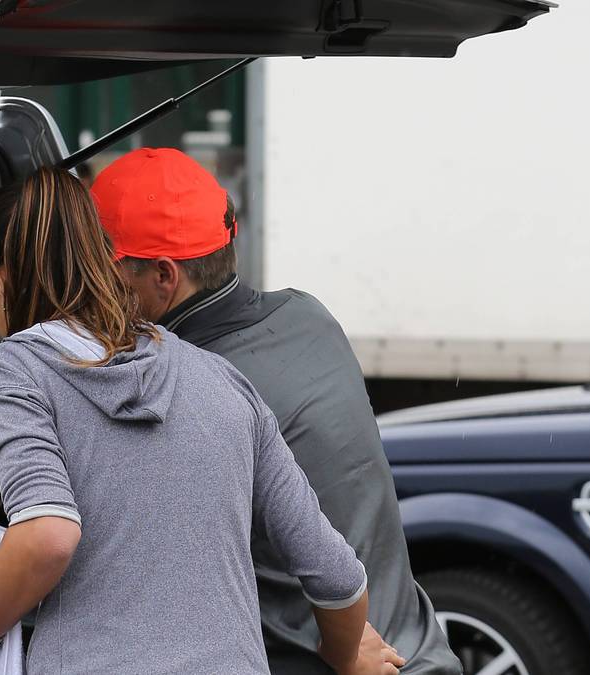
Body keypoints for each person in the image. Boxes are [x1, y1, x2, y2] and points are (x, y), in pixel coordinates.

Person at [0, 167, 404, 674]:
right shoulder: (222, 379)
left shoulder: (8, 372)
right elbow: (338, 574)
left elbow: (47, 535)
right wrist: (345, 656)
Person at [92, 148, 461, 674]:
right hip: (418, 650)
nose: (92, 289)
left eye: (104, 272)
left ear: (164, 277)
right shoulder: (307, 316)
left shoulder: (187, 390)